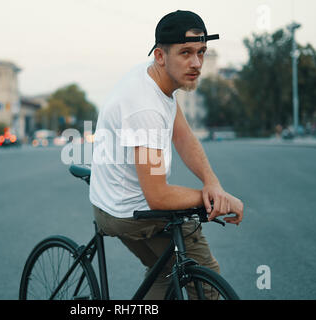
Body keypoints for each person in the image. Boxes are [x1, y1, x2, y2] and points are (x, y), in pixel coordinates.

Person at [89, 10, 244, 300]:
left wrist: (212, 183)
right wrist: (216, 199)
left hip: (114, 201)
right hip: (127, 213)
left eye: (201, 52)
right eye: (186, 53)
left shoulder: (157, 80)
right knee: (206, 287)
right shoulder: (145, 107)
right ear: (160, 56)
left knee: (163, 273)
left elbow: (183, 136)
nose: (196, 63)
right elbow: (158, 197)